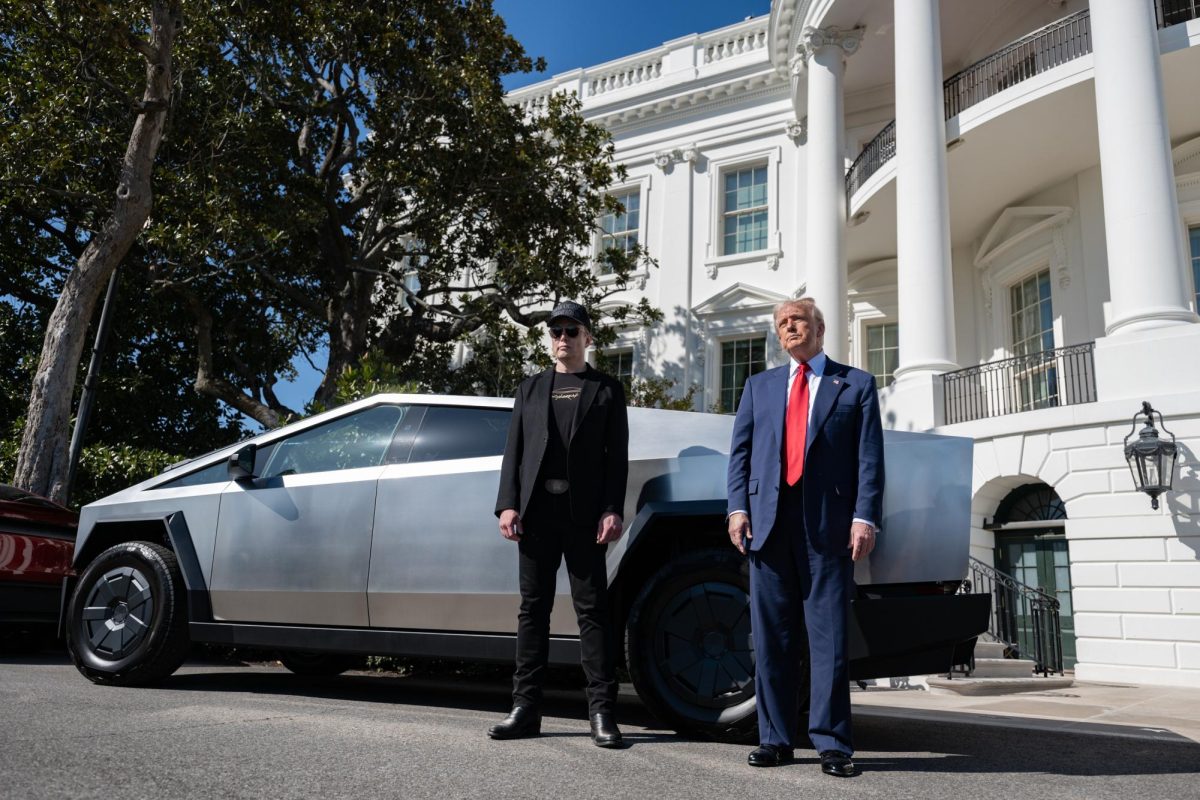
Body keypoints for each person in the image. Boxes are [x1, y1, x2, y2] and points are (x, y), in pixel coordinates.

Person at [726, 297, 884, 777]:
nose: (788, 327)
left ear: (819, 327)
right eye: (781, 323)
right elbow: (741, 453)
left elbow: (869, 458)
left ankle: (833, 743)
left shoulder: (855, 384)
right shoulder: (759, 386)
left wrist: (865, 517)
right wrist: (737, 508)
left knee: (830, 639)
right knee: (773, 639)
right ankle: (774, 739)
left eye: (796, 320)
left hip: (829, 529)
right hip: (768, 527)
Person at [489, 300, 629, 748]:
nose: (563, 338)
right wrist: (507, 505)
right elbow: (514, 451)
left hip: (585, 517)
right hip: (536, 516)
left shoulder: (606, 389)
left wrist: (613, 508)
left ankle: (602, 713)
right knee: (533, 611)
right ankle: (525, 710)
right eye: (556, 332)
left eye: (572, 331)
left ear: (588, 338)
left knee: (592, 613)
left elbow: (617, 459)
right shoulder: (529, 389)